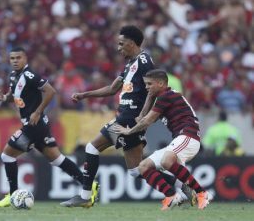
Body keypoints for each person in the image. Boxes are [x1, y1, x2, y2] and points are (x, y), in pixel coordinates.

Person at [61, 26, 191, 207]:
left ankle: (85, 195)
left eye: (121, 44)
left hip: (129, 119)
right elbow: (112, 89)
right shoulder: (131, 64)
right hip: (126, 117)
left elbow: (152, 92)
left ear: (131, 43)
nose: (118, 48)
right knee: (136, 171)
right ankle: (180, 185)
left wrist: (142, 116)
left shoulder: (144, 61)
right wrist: (85, 95)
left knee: (92, 148)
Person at [0, 47, 99, 207]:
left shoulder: (30, 76)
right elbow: (15, 97)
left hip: (33, 125)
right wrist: (5, 97)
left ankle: (12, 194)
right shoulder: (14, 76)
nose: (15, 61)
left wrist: (37, 111)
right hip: (38, 125)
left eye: (18, 58)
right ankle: (88, 184)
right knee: (57, 159)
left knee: (7, 155)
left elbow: (51, 91)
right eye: (12, 58)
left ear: (25, 59)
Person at [113, 69, 211, 210]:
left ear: (160, 83)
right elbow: (141, 119)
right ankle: (171, 195)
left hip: (189, 137)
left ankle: (202, 193)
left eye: (149, 84)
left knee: (166, 161)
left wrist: (128, 132)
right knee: (143, 167)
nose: (146, 87)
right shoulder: (163, 98)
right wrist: (147, 101)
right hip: (180, 139)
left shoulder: (167, 96)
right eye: (146, 84)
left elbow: (146, 121)